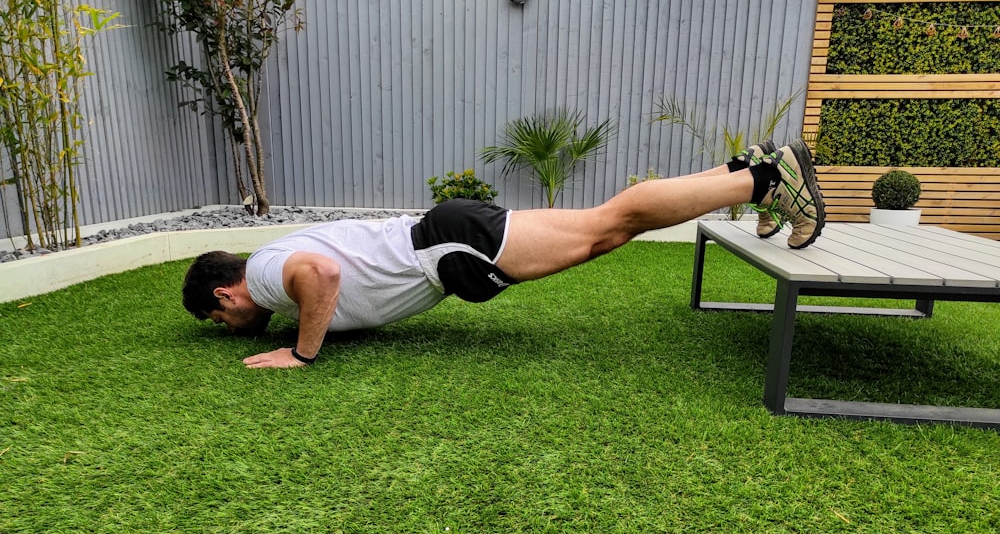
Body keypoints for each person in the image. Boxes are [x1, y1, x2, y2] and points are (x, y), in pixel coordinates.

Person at [183, 138, 824, 369]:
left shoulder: (264, 276)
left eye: (222, 321)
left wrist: (302, 353)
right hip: (447, 240)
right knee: (613, 229)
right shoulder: (273, 256)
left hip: (447, 245)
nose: (234, 325)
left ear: (225, 295)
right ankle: (745, 171)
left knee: (611, 222)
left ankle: (766, 182)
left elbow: (320, 275)